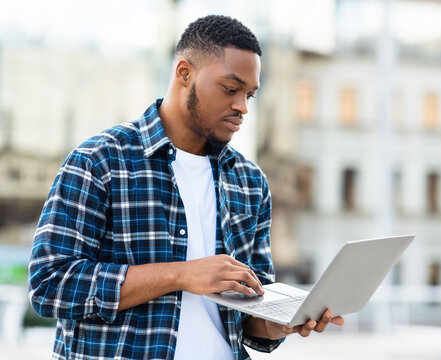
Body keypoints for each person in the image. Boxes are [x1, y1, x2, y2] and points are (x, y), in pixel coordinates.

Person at [28, 15, 344, 360]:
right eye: (230, 89)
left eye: (250, 95)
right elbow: (50, 285)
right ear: (184, 73)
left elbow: (252, 317)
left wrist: (282, 322)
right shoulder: (101, 160)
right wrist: (182, 274)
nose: (242, 107)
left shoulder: (250, 182)